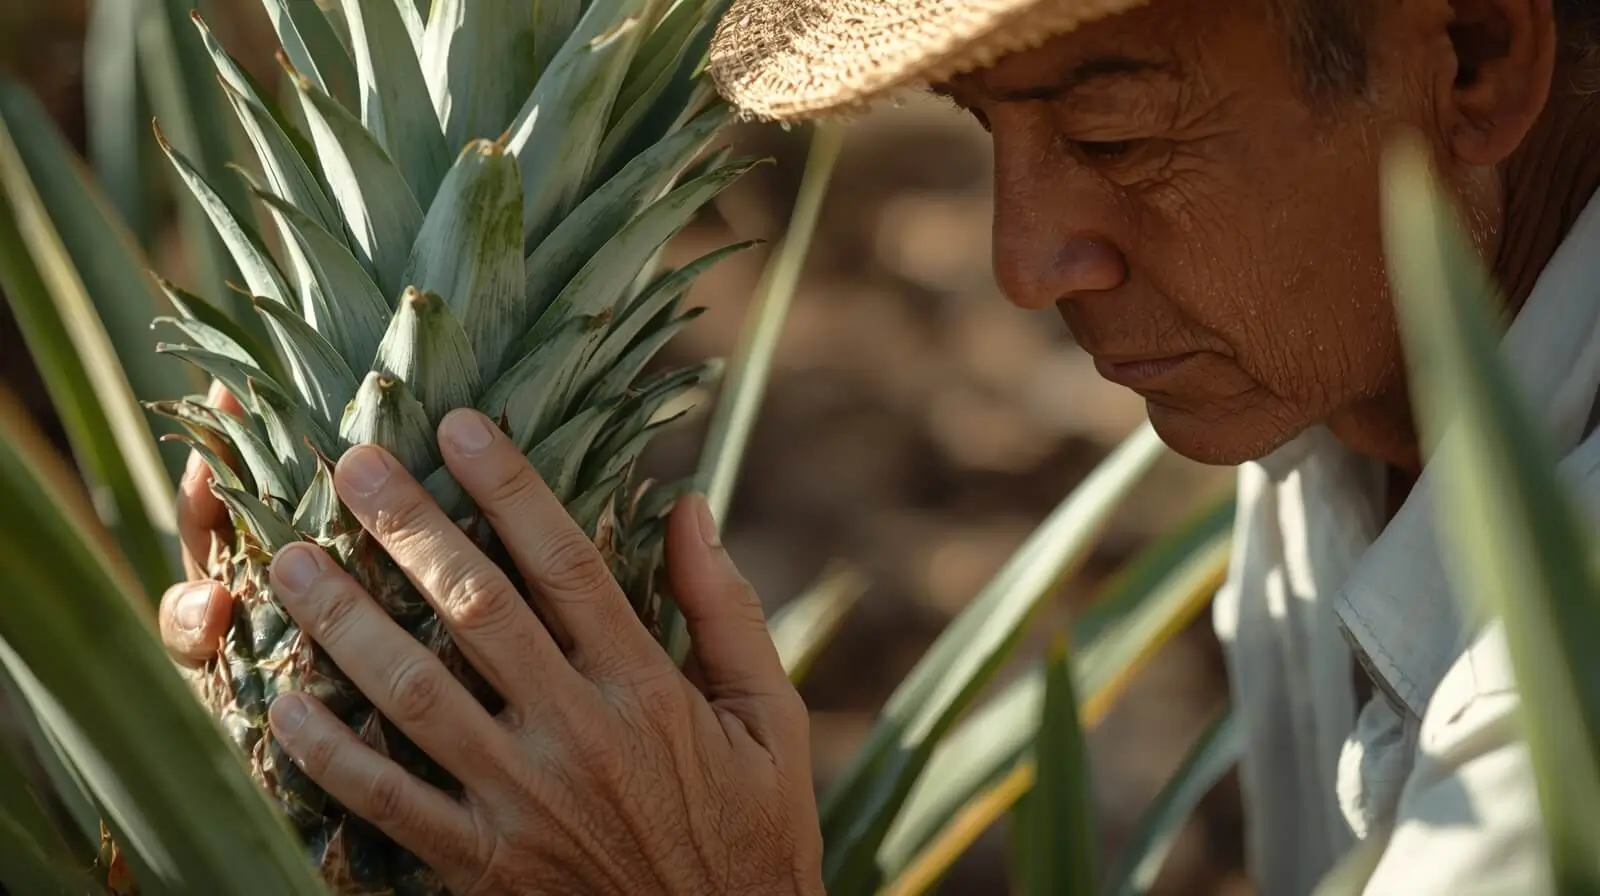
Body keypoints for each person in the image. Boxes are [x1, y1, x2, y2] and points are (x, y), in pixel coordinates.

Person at [155, 0, 1600, 891]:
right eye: (984, 129)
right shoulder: (1341, 410)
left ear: (1472, 54)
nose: (1023, 263)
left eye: (1113, 134)